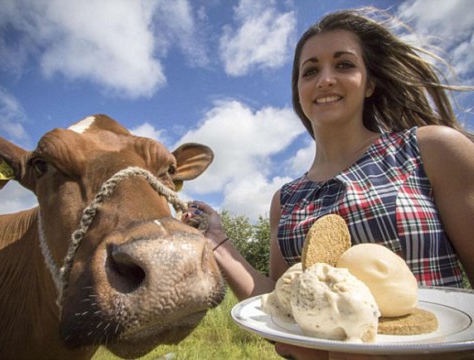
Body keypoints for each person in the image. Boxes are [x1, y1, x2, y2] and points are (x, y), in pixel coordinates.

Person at [183, 7, 474, 360]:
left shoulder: (430, 150)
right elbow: (278, 304)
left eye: (344, 65)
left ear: (369, 83)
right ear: (299, 92)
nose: (325, 79)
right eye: (310, 71)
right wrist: (217, 241)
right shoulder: (286, 198)